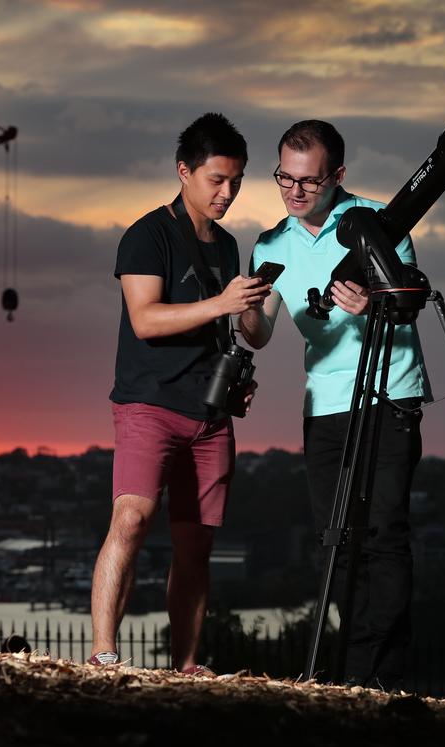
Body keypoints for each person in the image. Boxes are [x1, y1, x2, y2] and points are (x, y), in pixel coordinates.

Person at [240, 120, 431, 690]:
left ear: (337, 176)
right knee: (336, 543)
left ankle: (380, 677)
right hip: (323, 405)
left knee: (383, 537)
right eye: (284, 179)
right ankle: (353, 672)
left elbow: (410, 301)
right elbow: (259, 332)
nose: (294, 192)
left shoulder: (383, 220)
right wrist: (243, 305)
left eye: (308, 181)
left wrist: (372, 300)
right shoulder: (271, 243)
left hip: (389, 392)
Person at [89, 113, 271, 675]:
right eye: (216, 179)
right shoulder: (146, 236)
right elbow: (145, 319)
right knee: (132, 518)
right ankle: (103, 653)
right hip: (149, 402)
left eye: (236, 181)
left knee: (196, 547)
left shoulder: (230, 247)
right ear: (183, 171)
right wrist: (222, 303)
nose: (227, 193)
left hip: (210, 413)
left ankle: (186, 665)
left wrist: (247, 322)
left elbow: (243, 332)